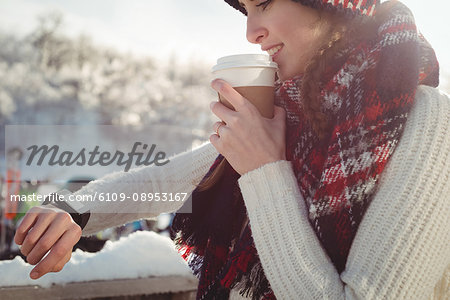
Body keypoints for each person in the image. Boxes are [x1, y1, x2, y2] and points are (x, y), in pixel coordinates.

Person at [13, 0, 450, 299]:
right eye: (245, 8)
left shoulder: (430, 123)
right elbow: (167, 180)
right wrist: (74, 209)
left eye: (265, 4)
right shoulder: (295, 113)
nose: (250, 31)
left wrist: (265, 172)